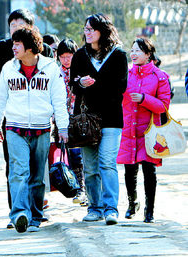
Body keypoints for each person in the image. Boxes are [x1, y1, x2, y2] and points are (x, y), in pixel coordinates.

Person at [0, 8, 53, 227]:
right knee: (15, 166)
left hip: (39, 119)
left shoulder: (44, 50)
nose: (15, 30)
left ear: (31, 28)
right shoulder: (2, 49)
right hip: (12, 118)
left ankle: (35, 211)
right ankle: (17, 212)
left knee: (37, 169)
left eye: (20, 25)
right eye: (12, 25)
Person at [0, 27, 69, 233]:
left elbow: (59, 100)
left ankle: (35, 215)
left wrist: (63, 127)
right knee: (19, 172)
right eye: (13, 43)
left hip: (42, 129)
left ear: (31, 47)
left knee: (36, 176)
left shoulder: (51, 68)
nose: (13, 47)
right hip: (15, 128)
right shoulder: (8, 68)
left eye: (18, 44)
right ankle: (19, 214)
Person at [70, 13, 128, 225]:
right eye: (85, 29)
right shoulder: (79, 55)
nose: (87, 33)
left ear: (102, 31)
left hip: (111, 118)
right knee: (91, 167)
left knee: (107, 163)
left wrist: (94, 84)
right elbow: (73, 85)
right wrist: (82, 84)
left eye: (91, 29)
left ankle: (111, 208)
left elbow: (120, 87)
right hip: (86, 120)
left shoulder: (119, 54)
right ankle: (95, 208)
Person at [117, 38, 171, 223]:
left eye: (138, 51)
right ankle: (132, 203)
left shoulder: (160, 76)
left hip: (150, 132)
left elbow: (163, 106)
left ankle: (149, 210)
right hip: (128, 130)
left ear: (148, 54)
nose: (133, 54)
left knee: (149, 171)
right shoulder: (126, 74)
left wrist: (143, 99)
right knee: (129, 171)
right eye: (132, 50)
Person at [56, 38, 86, 205]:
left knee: (80, 155)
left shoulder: (81, 71)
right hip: (63, 118)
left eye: (69, 55)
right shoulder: (55, 72)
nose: (66, 59)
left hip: (80, 117)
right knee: (71, 154)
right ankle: (77, 187)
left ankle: (83, 189)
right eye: (62, 56)